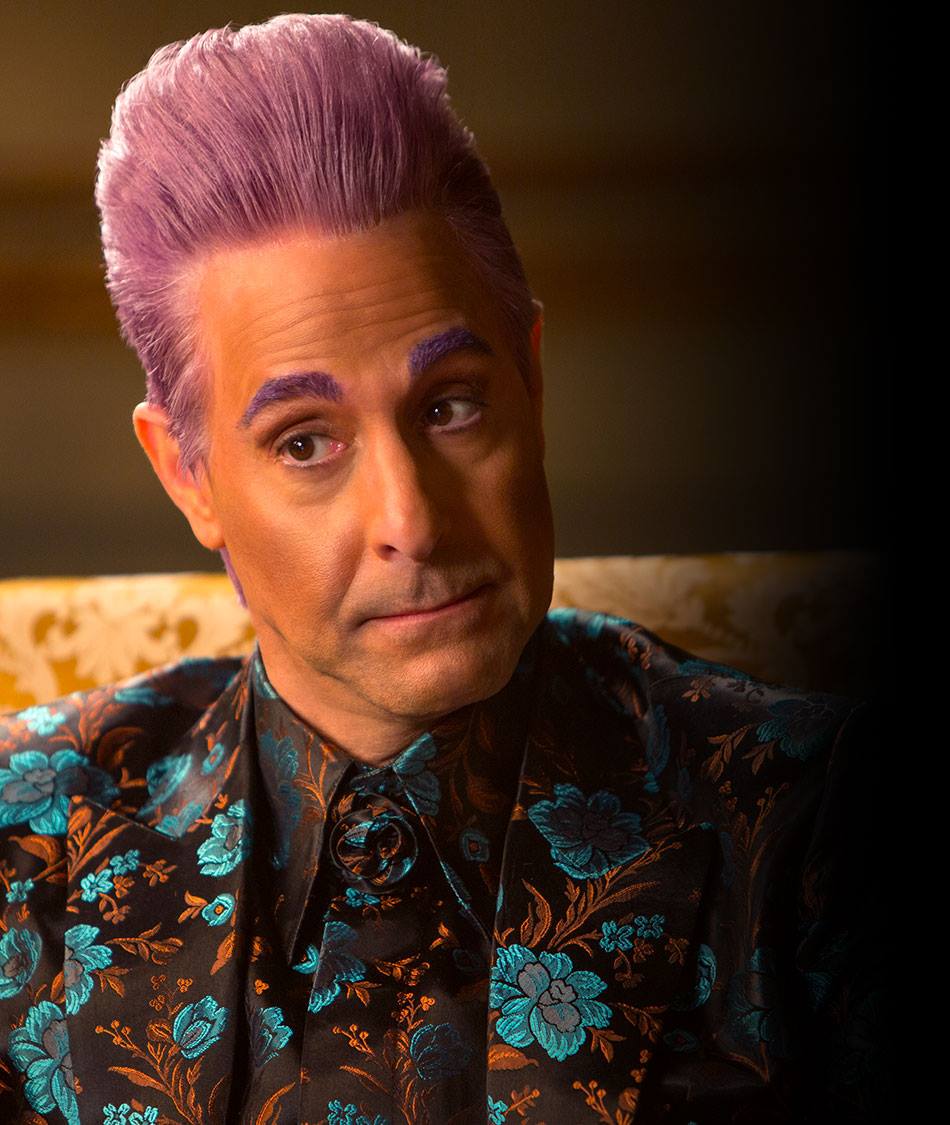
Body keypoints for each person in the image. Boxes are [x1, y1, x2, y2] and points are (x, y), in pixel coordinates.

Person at [0, 14, 884, 1125]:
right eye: (304, 443)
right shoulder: (21, 847)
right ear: (188, 477)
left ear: (532, 386)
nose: (410, 522)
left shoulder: (811, 824)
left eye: (450, 406)